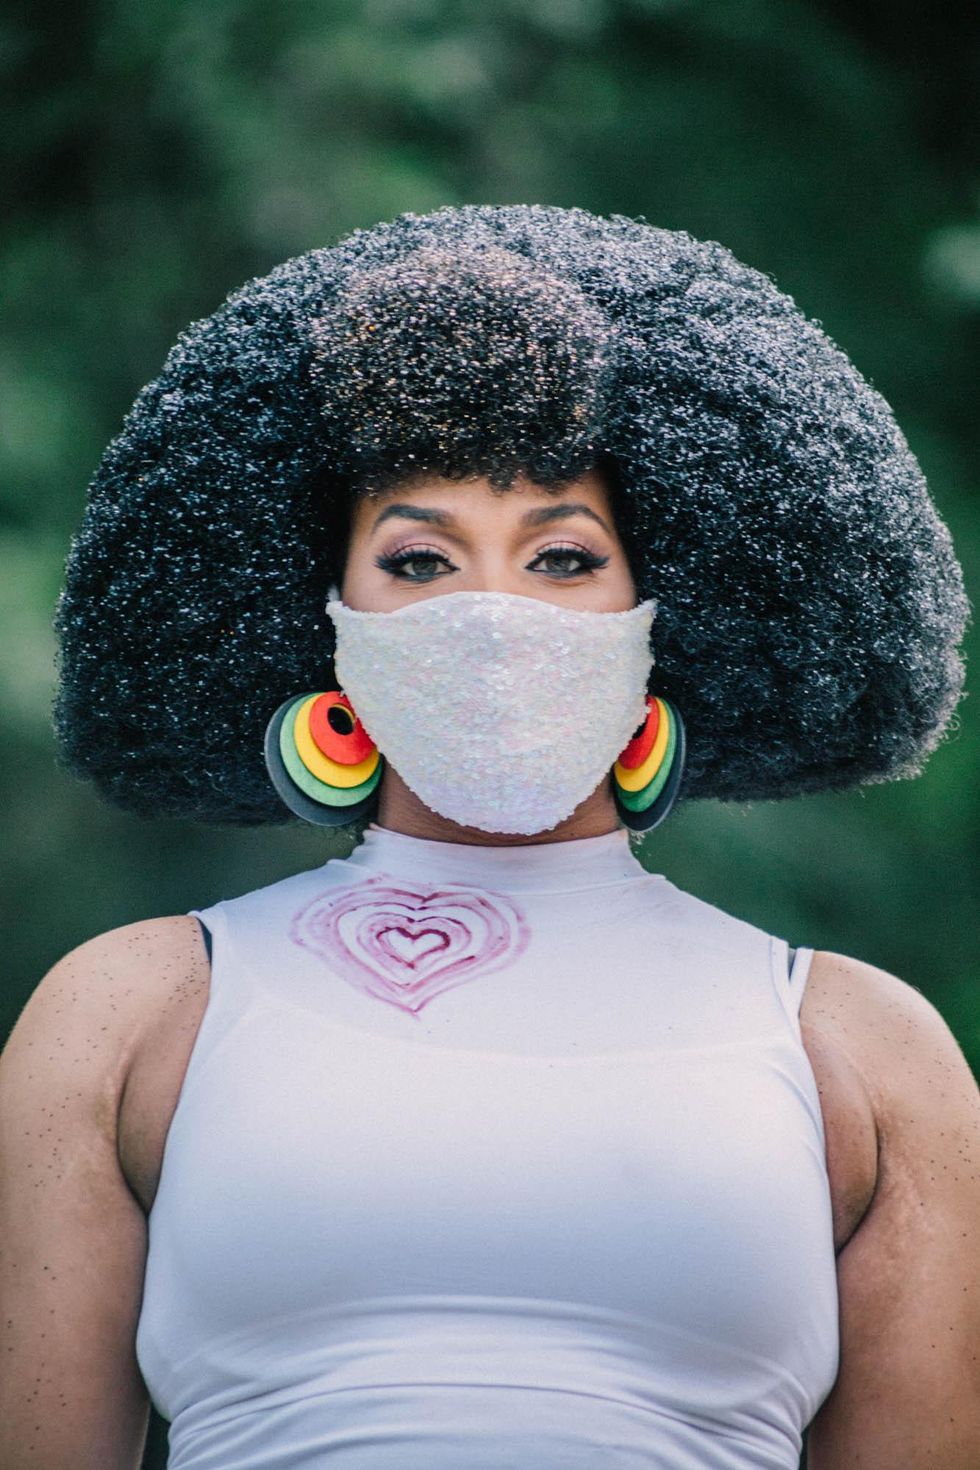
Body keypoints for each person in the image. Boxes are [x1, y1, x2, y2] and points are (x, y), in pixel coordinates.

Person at [1, 203, 977, 1470]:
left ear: (659, 611)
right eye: (418, 561)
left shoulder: (865, 1052)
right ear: (322, 614)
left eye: (562, 558)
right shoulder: (123, 1018)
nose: (490, 612)